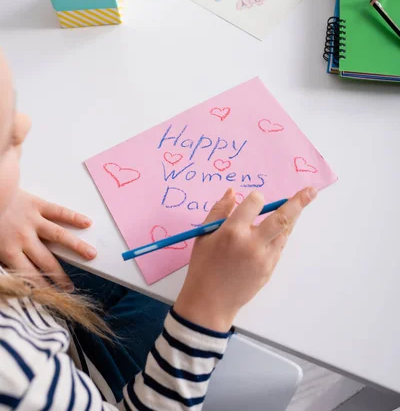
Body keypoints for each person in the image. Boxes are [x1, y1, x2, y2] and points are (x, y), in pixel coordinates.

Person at [0, 47, 316, 410]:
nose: (24, 124)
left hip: (41, 318)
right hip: (104, 384)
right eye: (6, 137)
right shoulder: (14, 374)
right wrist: (209, 306)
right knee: (180, 286)